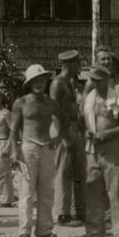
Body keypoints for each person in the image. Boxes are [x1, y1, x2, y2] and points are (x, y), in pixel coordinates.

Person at [10, 64, 60, 237]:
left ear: (46, 81)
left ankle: (45, 229)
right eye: (35, 81)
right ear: (29, 83)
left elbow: (63, 119)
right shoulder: (21, 102)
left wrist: (58, 137)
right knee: (27, 191)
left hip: (46, 147)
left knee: (47, 191)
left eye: (42, 80)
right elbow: (14, 129)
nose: (39, 83)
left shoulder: (50, 102)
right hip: (28, 147)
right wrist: (14, 151)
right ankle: (24, 229)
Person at [81, 64, 119, 237]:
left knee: (115, 189)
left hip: (111, 148)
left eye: (100, 81)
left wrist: (106, 134)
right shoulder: (89, 98)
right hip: (92, 149)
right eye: (93, 80)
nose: (96, 84)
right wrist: (87, 132)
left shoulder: (117, 97)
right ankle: (94, 228)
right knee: (93, 187)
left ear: (107, 80)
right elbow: (82, 121)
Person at [51, 50, 86, 226]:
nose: (81, 66)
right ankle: (62, 214)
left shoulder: (70, 83)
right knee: (64, 172)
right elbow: (54, 111)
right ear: (70, 64)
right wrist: (62, 135)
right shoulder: (57, 83)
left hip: (73, 127)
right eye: (78, 63)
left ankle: (79, 211)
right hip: (64, 129)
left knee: (78, 171)